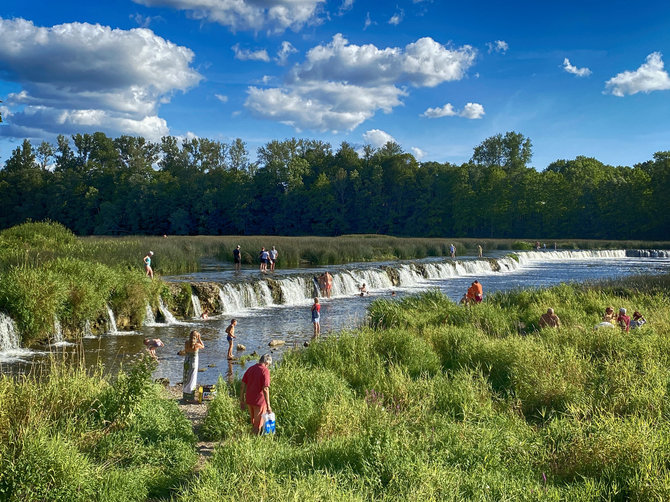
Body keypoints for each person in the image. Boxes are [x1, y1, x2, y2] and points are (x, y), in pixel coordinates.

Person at [240, 353, 273, 435]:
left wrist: (242, 400)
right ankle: (253, 444)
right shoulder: (265, 371)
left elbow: (242, 385)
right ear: (267, 363)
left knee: (254, 422)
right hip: (259, 401)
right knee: (257, 425)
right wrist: (268, 406)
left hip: (249, 400)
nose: (268, 366)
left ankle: (252, 440)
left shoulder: (250, 369)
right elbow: (265, 388)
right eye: (269, 365)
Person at [180, 330, 204, 402]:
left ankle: (185, 396)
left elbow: (186, 351)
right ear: (196, 337)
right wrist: (199, 338)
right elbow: (203, 346)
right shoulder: (196, 345)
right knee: (192, 379)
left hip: (186, 361)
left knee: (186, 377)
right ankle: (191, 397)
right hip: (193, 363)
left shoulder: (186, 343)